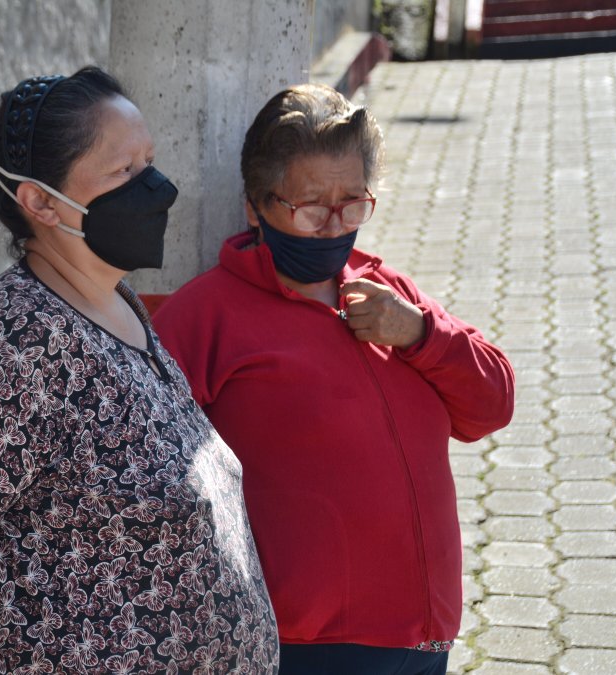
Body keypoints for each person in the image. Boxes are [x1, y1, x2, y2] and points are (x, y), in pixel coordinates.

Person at [0, 66, 279, 674]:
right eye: (123, 172)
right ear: (40, 203)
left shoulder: (114, 300)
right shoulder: (22, 333)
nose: (156, 187)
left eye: (148, 161)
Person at [152, 83, 515, 675]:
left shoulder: (387, 291)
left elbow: (492, 404)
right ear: (256, 206)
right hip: (302, 648)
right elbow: (139, 476)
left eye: (352, 202)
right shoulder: (204, 316)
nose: (334, 225)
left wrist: (423, 334)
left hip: (427, 639)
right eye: (312, 206)